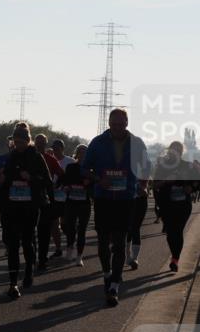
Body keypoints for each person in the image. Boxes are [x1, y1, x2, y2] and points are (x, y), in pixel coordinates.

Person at [81, 108, 151, 306]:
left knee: (120, 243)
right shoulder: (97, 142)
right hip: (103, 198)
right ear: (109, 124)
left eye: (121, 124)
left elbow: (146, 166)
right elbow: (84, 168)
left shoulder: (137, 143)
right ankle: (106, 273)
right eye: (114, 125)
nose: (118, 128)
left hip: (125, 199)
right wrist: (97, 179)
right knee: (103, 242)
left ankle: (114, 286)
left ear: (127, 123)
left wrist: (143, 186)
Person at [0, 123, 51, 298]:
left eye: (21, 142)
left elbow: (47, 181)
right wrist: (1, 177)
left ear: (28, 141)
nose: (17, 145)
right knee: (11, 244)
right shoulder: (9, 157)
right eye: (15, 142)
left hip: (30, 206)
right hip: (11, 206)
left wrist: (31, 178)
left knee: (27, 241)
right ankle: (12, 283)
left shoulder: (36, 157)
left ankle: (28, 273)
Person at [152, 142, 194, 272]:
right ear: (170, 151)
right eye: (173, 150)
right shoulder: (162, 166)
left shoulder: (187, 166)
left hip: (183, 206)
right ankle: (175, 256)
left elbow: (196, 183)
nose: (176, 152)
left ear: (182, 152)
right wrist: (165, 181)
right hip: (167, 205)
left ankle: (175, 259)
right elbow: (154, 185)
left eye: (179, 150)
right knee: (170, 233)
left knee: (178, 231)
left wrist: (191, 188)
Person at [34, 134, 65, 269]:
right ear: (34, 143)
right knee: (29, 232)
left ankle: (42, 259)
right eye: (38, 142)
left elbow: (62, 175)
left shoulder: (51, 159)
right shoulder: (28, 157)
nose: (40, 145)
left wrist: (55, 186)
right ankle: (34, 256)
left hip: (45, 200)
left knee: (44, 230)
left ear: (46, 144)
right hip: (28, 200)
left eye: (42, 143)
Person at [62, 144, 93, 266]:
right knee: (70, 228)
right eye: (80, 152)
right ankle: (70, 248)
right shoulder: (70, 167)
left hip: (84, 203)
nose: (83, 155)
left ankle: (79, 256)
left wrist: (89, 183)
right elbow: (65, 181)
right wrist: (66, 187)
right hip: (71, 201)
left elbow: (94, 186)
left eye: (85, 153)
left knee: (82, 230)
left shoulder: (91, 170)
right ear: (77, 154)